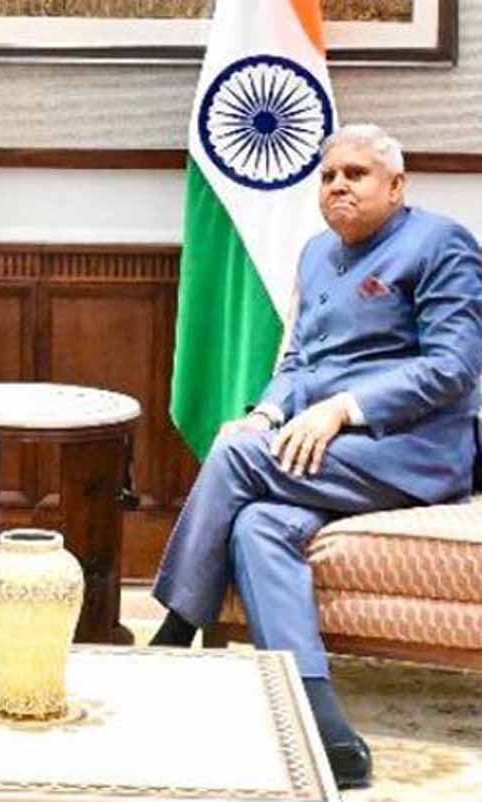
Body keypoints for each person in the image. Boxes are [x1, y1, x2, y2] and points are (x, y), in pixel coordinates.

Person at [150, 123, 482, 790]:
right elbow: (301, 361)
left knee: (238, 457)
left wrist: (342, 409)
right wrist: (266, 414)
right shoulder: (315, 254)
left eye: (355, 174)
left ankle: (176, 631)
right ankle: (324, 723)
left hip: (413, 451)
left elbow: (454, 366)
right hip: (326, 449)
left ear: (396, 185)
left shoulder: (440, 243)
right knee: (258, 524)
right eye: (328, 176)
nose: (337, 187)